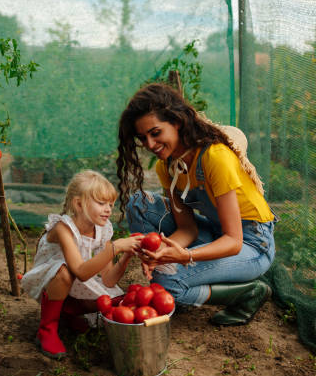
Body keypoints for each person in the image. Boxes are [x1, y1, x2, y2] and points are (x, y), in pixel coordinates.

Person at [117, 82, 276, 326]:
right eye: (143, 138)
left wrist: (185, 257)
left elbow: (234, 241)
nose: (149, 144)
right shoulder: (167, 165)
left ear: (177, 122)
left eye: (155, 133)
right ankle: (176, 284)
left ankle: (247, 292)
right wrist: (160, 255)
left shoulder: (215, 157)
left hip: (252, 243)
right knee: (139, 203)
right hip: (215, 232)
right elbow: (187, 229)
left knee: (167, 281)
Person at [22, 170, 143, 359]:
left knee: (106, 300)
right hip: (51, 279)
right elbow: (80, 271)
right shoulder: (64, 228)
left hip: (75, 279)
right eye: (101, 203)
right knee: (64, 272)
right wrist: (116, 247)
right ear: (78, 204)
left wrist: (126, 255)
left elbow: (108, 280)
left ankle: (67, 315)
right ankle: (47, 329)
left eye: (110, 204)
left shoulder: (103, 230)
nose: (108, 209)